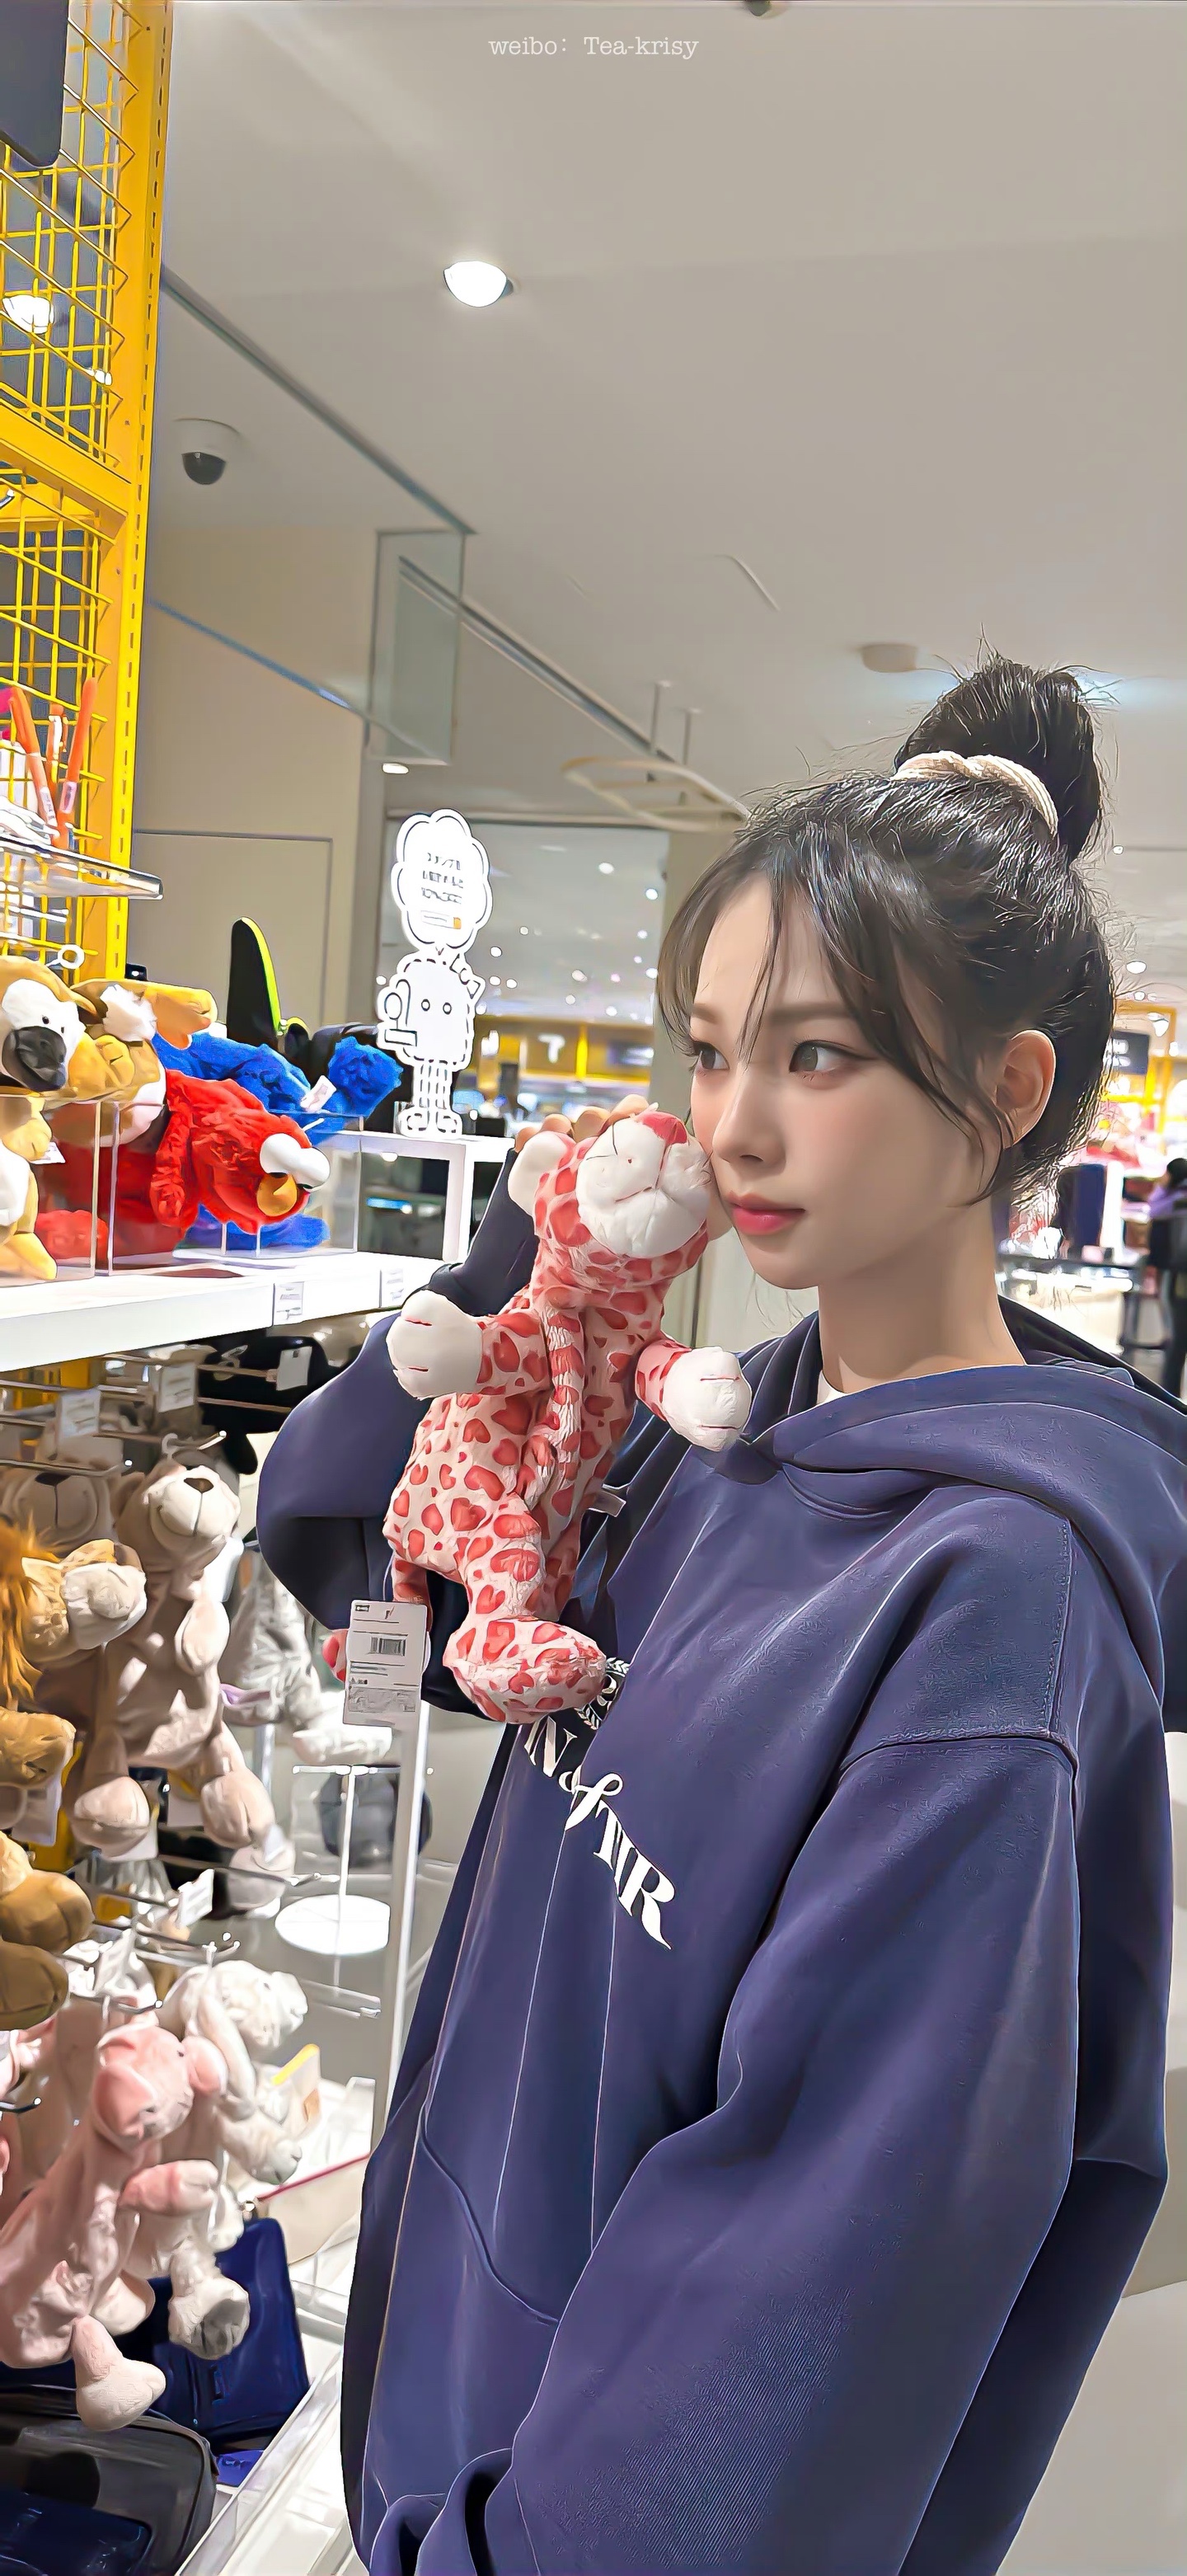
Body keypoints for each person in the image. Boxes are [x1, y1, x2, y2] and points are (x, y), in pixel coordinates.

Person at [259, 659, 1185, 2576]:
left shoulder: (992, 1614)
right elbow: (348, 1554)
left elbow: (807, 2303)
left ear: (1007, 1094)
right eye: (705, 1050)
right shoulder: (724, 1428)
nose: (732, 1126)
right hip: (432, 2412)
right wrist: (522, 1266)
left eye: (815, 1056)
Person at [1148, 1157, 1187, 1396]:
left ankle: (1169, 1396)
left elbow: (1153, 1209)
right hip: (1179, 1275)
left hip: (1182, 1278)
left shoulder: (1180, 1200)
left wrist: (1163, 1187)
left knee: (1178, 1341)